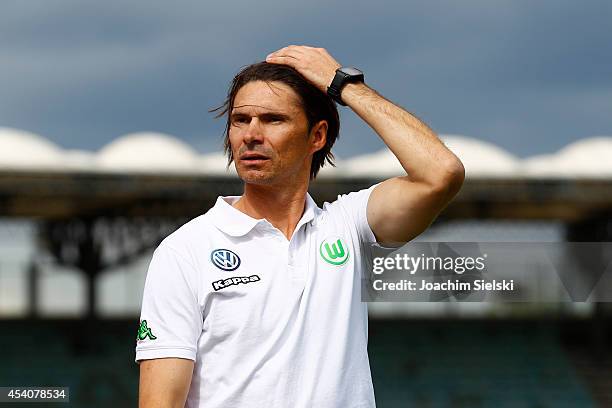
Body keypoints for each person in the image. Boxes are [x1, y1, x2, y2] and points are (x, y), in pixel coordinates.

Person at [136, 45, 464, 407]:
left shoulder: (347, 228)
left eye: (273, 119)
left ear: (317, 136)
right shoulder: (186, 250)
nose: (251, 135)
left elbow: (442, 173)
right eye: (240, 120)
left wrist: (345, 86)